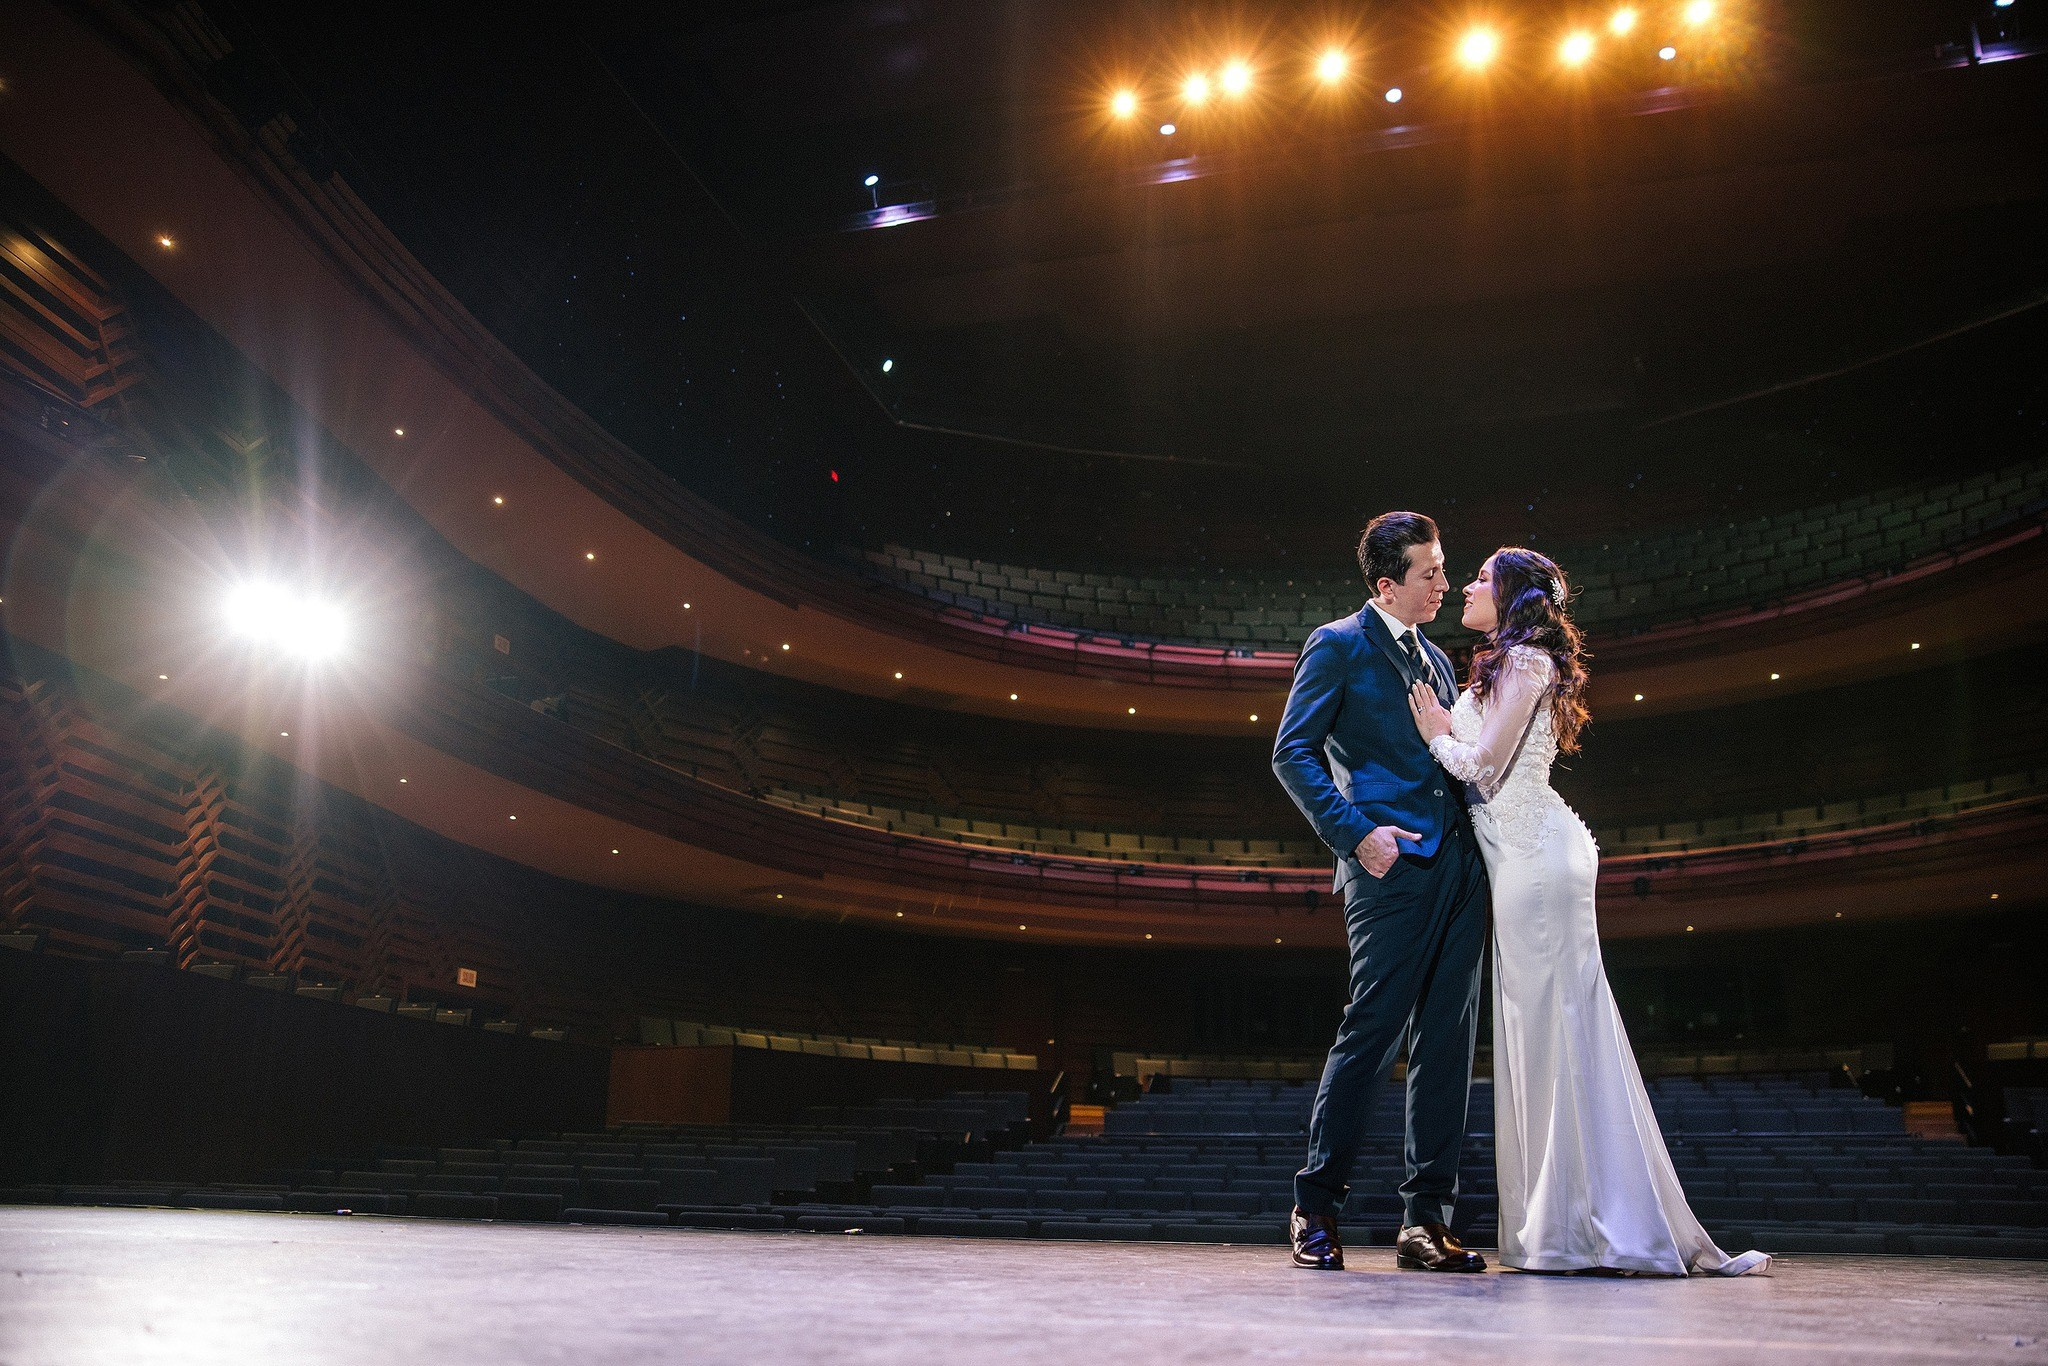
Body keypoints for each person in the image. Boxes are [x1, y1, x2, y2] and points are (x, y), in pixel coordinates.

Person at [1408, 547, 1770, 1276]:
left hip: (1538, 861)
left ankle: (1587, 1227)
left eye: (1481, 578)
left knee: (1556, 1032)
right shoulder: (1506, 662)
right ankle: (1565, 1227)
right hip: (1519, 859)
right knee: (1536, 1034)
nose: (1468, 588)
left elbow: (1483, 764)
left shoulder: (1527, 661)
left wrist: (1438, 732)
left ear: (1510, 595)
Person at [1271, 511, 1490, 1273]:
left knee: (1450, 1048)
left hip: (1462, 874)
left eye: (1444, 568)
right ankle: (1315, 1206)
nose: (1444, 582)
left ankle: (1425, 1222)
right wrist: (1357, 835)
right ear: (1387, 583)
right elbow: (1290, 752)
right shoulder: (1336, 644)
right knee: (1371, 1036)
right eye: (1430, 573)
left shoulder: (1436, 656)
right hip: (1388, 867)